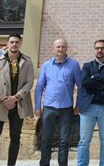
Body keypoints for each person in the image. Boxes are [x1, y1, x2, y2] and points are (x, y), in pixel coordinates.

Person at [0, 34, 34, 166]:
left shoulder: (27, 61)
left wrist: (15, 98)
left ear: (20, 44)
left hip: (18, 104)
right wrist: (3, 98)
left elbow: (29, 82)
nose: (14, 44)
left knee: (15, 137)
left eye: (17, 42)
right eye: (12, 42)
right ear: (7, 43)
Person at [35, 38, 82, 166]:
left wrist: (78, 105)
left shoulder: (74, 65)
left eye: (62, 46)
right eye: (58, 47)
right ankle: (44, 164)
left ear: (66, 48)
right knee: (45, 139)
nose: (60, 49)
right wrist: (37, 106)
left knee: (64, 141)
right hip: (48, 108)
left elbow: (81, 86)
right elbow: (39, 87)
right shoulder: (46, 65)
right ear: (53, 49)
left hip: (66, 108)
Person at [77, 39, 104, 166]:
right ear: (94, 50)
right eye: (97, 48)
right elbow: (84, 82)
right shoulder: (87, 66)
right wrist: (103, 84)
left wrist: (94, 77)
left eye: (102, 48)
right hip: (88, 108)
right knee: (84, 141)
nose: (99, 50)